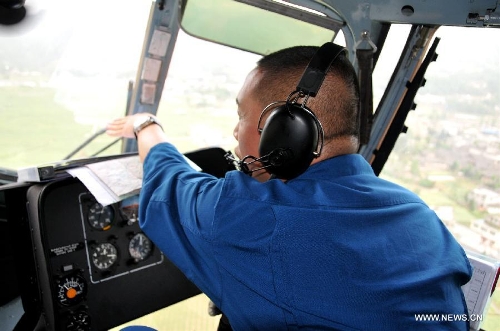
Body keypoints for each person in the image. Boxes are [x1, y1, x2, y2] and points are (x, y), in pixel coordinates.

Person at [106, 43, 472, 330]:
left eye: (242, 116)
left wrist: (146, 125)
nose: (235, 132)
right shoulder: (417, 212)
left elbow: (168, 180)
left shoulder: (249, 217)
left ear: (286, 131)